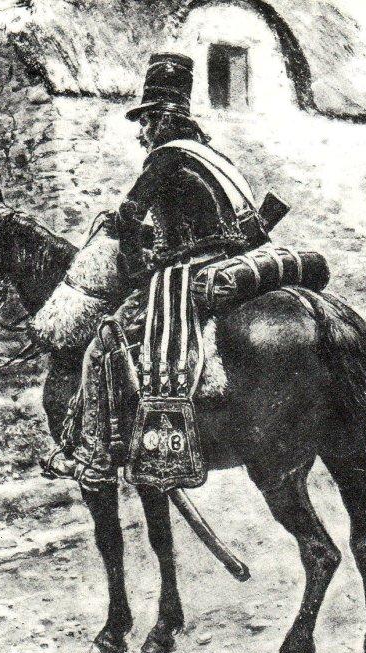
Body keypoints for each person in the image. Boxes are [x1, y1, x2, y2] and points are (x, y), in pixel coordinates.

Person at [44, 52, 270, 486]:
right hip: (234, 261)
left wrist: (135, 261)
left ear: (163, 120)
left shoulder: (164, 158)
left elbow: (128, 217)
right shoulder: (214, 158)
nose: (141, 132)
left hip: (192, 270)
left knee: (102, 345)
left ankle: (94, 456)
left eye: (146, 121)